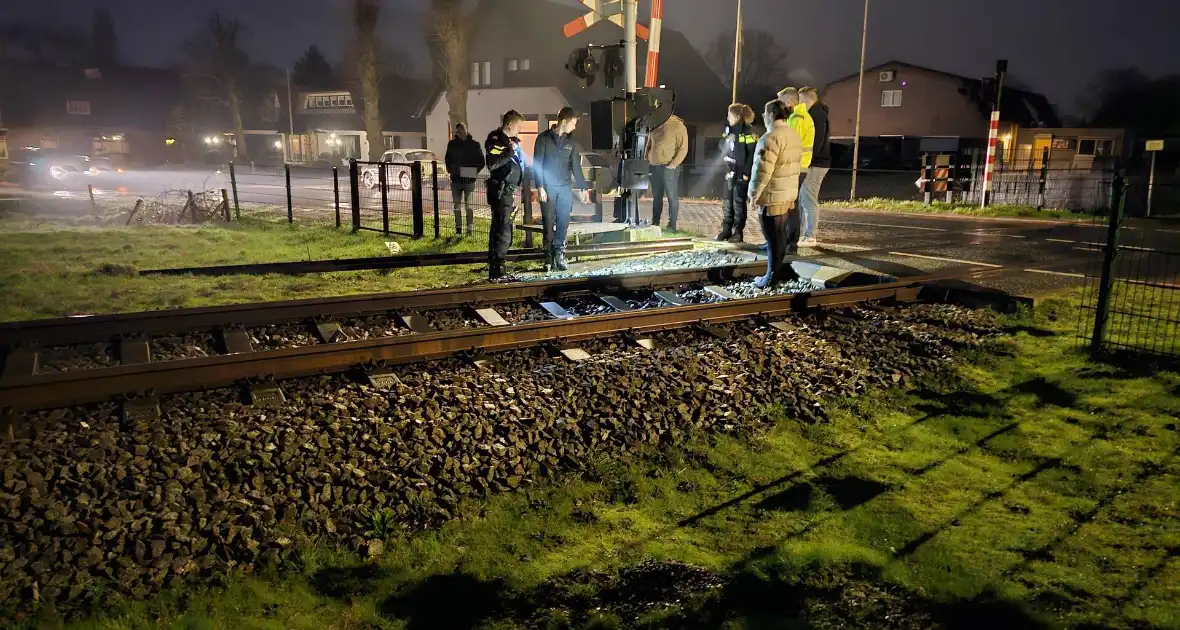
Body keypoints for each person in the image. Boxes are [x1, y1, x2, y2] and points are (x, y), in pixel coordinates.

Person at [748, 99, 803, 289]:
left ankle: (771, 275)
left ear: (771, 115)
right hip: (787, 194)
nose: (764, 118)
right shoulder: (793, 134)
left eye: (765, 114)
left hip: (772, 195)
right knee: (780, 234)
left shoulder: (770, 137)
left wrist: (754, 194)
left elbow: (762, 170)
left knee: (772, 237)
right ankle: (779, 271)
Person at [534, 107, 591, 271]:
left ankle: (560, 255)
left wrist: (583, 188)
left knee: (563, 223)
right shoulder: (543, 139)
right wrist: (540, 187)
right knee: (548, 222)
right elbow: (538, 164)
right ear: (564, 121)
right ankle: (548, 257)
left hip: (565, 188)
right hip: (548, 189)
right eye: (573, 123)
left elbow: (575, 167)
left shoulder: (570, 143)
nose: (574, 127)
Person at [484, 110, 526, 280]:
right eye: (518, 126)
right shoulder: (496, 140)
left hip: (508, 191)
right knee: (502, 229)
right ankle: (497, 269)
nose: (519, 130)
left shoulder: (511, 141)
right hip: (501, 190)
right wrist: (510, 151)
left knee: (503, 228)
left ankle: (497, 265)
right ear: (510, 124)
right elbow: (492, 163)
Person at [716, 103, 758, 243]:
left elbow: (752, 154)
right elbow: (721, 145)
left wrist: (746, 173)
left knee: (738, 204)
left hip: (741, 174)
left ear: (737, 116)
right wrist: (726, 140)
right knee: (727, 202)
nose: (727, 118)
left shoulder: (748, 132)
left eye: (729, 115)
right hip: (729, 172)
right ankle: (726, 230)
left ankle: (737, 232)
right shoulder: (728, 130)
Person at [798, 87, 831, 246]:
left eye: (800, 100)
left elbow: (815, 143)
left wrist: (807, 161)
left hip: (815, 164)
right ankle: (803, 234)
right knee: (804, 198)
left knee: (808, 199)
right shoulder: (818, 114)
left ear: (806, 100)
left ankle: (810, 235)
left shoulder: (815, 116)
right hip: (815, 163)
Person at [645, 112, 688, 231]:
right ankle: (655, 223)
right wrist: (647, 158)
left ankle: (672, 225)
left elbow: (683, 148)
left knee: (672, 197)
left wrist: (672, 165)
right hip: (654, 166)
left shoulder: (678, 125)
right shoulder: (655, 124)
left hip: (668, 167)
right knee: (656, 197)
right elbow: (649, 144)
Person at [444, 122, 485, 236]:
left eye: (463, 129)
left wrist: (470, 172)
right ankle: (458, 229)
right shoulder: (452, 145)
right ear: (457, 132)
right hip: (456, 180)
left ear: (466, 130)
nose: (461, 132)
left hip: (469, 181)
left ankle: (469, 229)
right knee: (457, 206)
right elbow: (447, 159)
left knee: (469, 206)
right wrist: (452, 170)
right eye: (459, 130)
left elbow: (481, 162)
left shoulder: (474, 145)